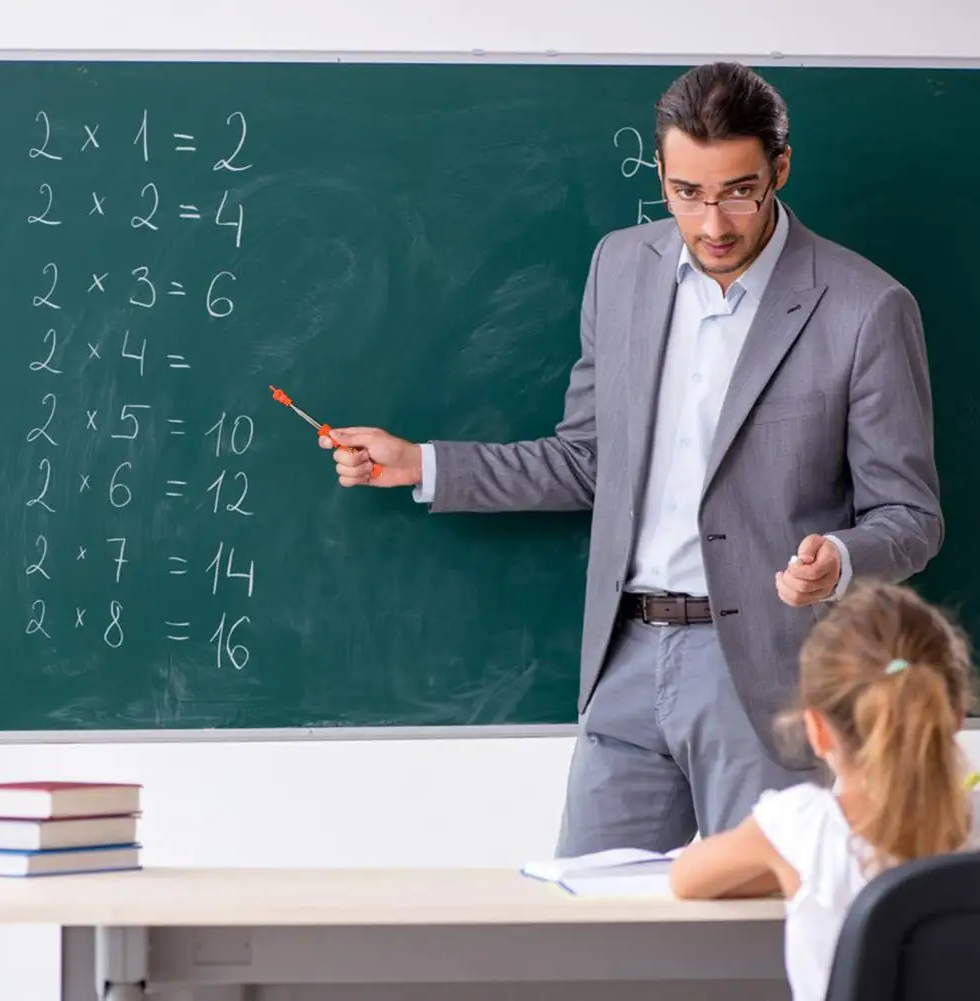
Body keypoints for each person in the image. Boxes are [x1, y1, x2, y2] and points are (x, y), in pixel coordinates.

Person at [319, 61, 944, 855]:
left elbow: (911, 517)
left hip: (767, 674)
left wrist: (841, 559)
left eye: (736, 192)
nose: (712, 222)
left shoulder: (864, 308)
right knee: (585, 931)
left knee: (752, 942)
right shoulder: (620, 267)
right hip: (623, 659)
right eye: (687, 193)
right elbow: (587, 460)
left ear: (779, 169)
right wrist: (422, 465)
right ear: (660, 173)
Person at [669, 580, 979, 1001]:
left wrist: (775, 861)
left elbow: (686, 879)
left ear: (816, 730)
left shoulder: (803, 828)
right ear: (955, 715)